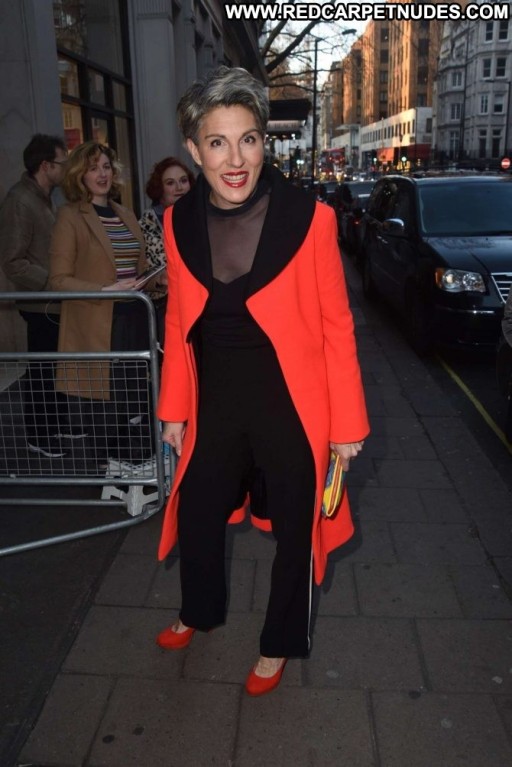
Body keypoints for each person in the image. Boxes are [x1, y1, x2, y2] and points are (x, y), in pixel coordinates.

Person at [155, 66, 369, 696]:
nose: (235, 159)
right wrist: (174, 409)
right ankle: (198, 610)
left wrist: (347, 426)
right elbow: (177, 320)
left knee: (297, 533)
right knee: (197, 512)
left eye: (248, 139)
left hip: (292, 405)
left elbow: (337, 326)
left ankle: (278, 642)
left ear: (263, 142)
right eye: (217, 143)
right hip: (217, 401)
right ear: (194, 149)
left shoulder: (310, 218)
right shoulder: (177, 221)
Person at [49, 141, 152, 466]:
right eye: (93, 168)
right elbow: (58, 280)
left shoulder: (125, 213)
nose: (102, 174)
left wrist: (154, 277)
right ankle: (104, 471)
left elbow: (139, 265)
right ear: (80, 175)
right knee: (104, 407)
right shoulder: (70, 217)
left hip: (134, 315)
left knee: (133, 400)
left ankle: (128, 468)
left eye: (106, 166)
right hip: (98, 323)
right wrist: (105, 289)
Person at [0, 133, 70, 458]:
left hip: (54, 301)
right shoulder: (20, 201)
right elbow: (12, 261)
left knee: (55, 366)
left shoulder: (44, 197)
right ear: (45, 165)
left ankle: (55, 425)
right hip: (40, 301)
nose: (66, 169)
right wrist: (51, 282)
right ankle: (39, 435)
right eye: (62, 163)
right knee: (42, 370)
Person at [138, 157, 194, 346]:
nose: (179, 187)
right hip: (165, 307)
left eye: (183, 181)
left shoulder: (204, 218)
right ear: (159, 190)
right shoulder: (145, 227)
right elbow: (144, 273)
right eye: (170, 183)